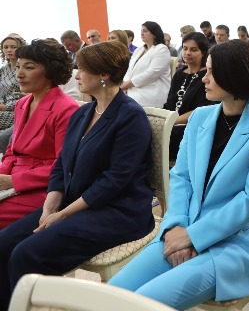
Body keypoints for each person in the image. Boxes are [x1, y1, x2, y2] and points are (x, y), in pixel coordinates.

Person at [109, 40, 249, 309]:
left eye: (212, 72)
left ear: (234, 76)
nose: (204, 77)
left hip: (237, 242)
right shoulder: (200, 117)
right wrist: (177, 227)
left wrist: (194, 236)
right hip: (186, 225)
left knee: (144, 303)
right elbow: (181, 177)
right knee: (112, 294)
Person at [0, 41, 155, 310]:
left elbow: (113, 182)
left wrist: (62, 214)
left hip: (116, 212)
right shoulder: (84, 111)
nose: (76, 75)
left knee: (27, 254)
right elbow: (61, 163)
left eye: (82, 69)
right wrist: (51, 204)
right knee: (4, 244)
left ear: (104, 74)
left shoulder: (130, 117)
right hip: (77, 202)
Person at [0, 39, 78, 229]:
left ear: (51, 71)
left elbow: (65, 166)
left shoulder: (66, 109)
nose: (19, 74)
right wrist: (3, 174)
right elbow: (11, 150)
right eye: (18, 67)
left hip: (43, 189)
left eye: (29, 67)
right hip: (11, 180)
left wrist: (13, 180)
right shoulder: (22, 103)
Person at [163, 32, 212, 160]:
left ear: (203, 52)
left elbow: (203, 110)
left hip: (192, 128)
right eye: (185, 48)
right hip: (171, 125)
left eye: (193, 50)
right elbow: (169, 103)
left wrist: (170, 122)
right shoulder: (179, 73)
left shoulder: (207, 76)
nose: (187, 53)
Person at [121, 21, 171, 108]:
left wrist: (127, 84)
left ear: (154, 33)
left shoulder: (162, 49)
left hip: (149, 92)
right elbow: (129, 70)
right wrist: (124, 85)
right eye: (141, 31)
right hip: (131, 90)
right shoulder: (139, 50)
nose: (142, 33)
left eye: (145, 31)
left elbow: (153, 73)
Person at [0, 35, 25, 131]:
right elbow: (2, 93)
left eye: (13, 47)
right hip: (3, 107)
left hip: (19, 109)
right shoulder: (3, 70)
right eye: (6, 47)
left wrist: (6, 107)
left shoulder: (25, 69)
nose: (9, 50)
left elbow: (29, 96)